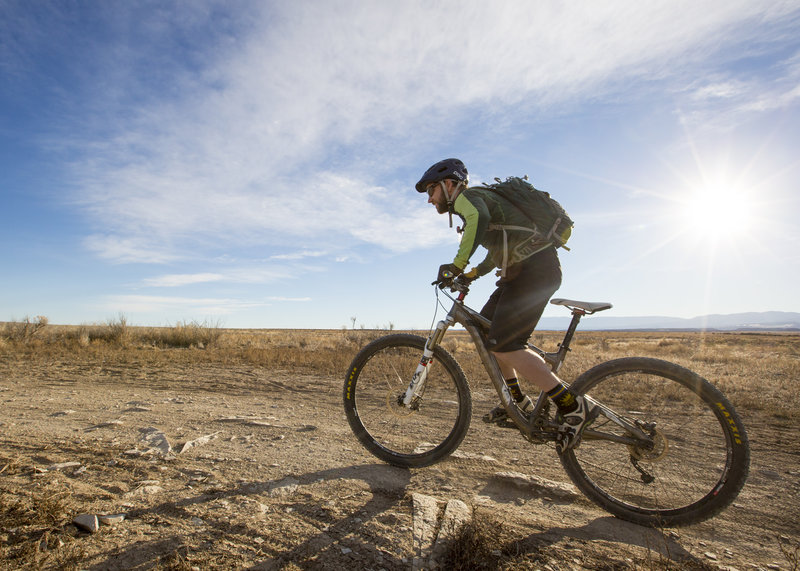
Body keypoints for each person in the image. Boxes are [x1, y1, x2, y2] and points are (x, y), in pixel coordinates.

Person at [415, 158, 598, 452]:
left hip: (534, 271)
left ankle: (574, 406)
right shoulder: (483, 204)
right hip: (520, 272)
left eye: (431, 190)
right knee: (490, 336)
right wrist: (472, 273)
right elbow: (497, 251)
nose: (429, 199)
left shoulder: (469, 199)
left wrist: (457, 265)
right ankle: (518, 403)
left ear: (449, 185)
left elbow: (478, 221)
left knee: (506, 344)